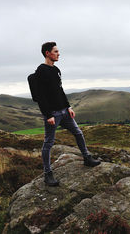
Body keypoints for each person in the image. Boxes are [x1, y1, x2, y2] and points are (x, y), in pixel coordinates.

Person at [36, 41, 100, 187]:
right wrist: (48, 115)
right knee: (48, 143)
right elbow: (40, 96)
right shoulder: (41, 71)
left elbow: (60, 90)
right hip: (52, 114)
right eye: (56, 51)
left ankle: (87, 158)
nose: (59, 54)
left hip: (64, 112)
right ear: (48, 53)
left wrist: (68, 106)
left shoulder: (56, 69)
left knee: (78, 133)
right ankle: (47, 174)